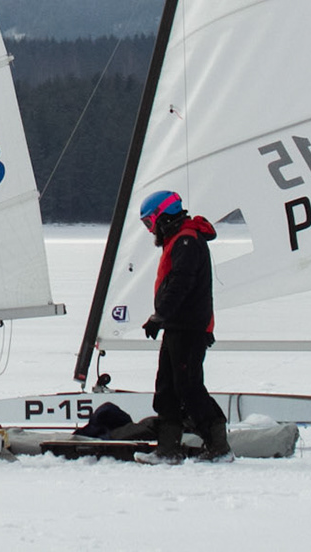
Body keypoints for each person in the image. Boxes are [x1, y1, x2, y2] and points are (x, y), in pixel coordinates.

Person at [138, 189, 230, 461]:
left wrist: (159, 316)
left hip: (189, 328)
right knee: (167, 389)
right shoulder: (179, 239)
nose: (150, 230)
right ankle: (168, 449)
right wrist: (162, 318)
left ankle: (219, 446)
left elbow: (181, 282)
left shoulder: (187, 241)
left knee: (189, 388)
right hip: (176, 327)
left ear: (163, 216)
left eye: (150, 223)